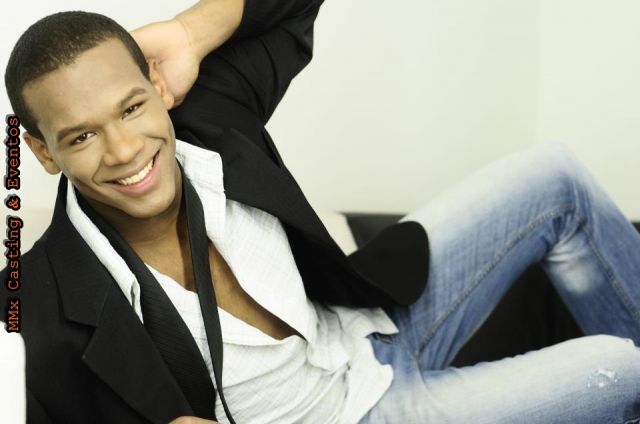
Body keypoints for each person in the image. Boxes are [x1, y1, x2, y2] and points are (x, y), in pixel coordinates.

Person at [2, 0, 640, 423]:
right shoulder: (33, 300)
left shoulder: (207, 117)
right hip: (357, 416)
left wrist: (189, 32)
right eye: (81, 136)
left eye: (132, 107)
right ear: (43, 151)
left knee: (555, 174)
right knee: (622, 371)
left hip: (371, 328)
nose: (124, 150)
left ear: (156, 86)